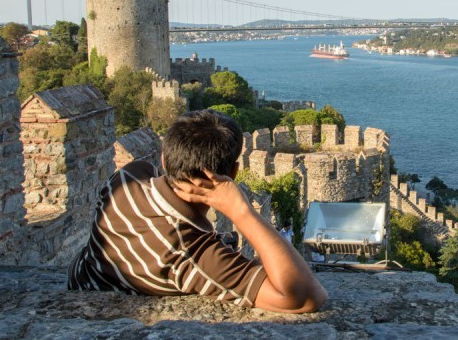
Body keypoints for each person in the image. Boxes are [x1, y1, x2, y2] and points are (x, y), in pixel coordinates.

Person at [68, 110, 327, 313]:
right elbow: (304, 297)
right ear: (233, 173)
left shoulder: (126, 178)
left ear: (164, 158)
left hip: (77, 291)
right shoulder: (195, 256)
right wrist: (242, 212)